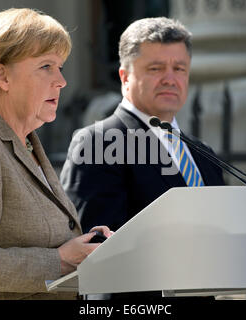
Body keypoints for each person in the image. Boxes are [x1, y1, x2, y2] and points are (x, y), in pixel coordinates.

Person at [0, 8, 111, 300]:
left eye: (61, 67)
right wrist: (61, 260)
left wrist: (87, 246)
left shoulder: (27, 144)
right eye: (46, 67)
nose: (61, 81)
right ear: (2, 76)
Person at [61, 17, 225, 235]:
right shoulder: (98, 143)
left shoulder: (204, 155)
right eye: (156, 68)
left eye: (179, 68)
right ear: (125, 77)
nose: (170, 79)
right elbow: (94, 244)